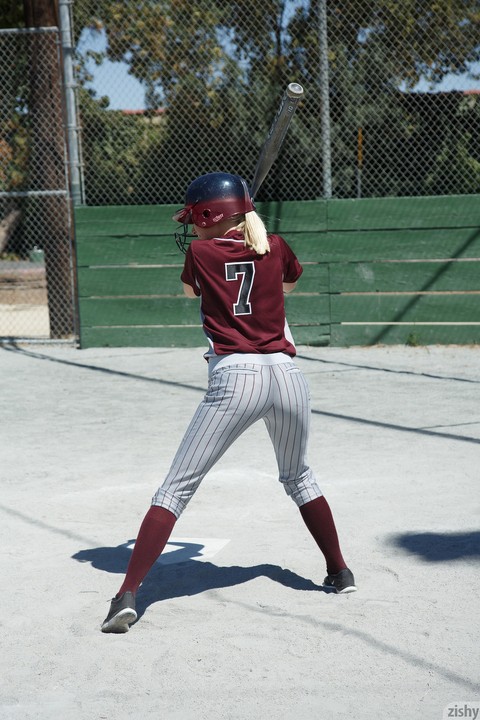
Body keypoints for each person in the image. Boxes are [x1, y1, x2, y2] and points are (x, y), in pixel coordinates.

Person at [101, 172, 356, 633]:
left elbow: (190, 292)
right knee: (299, 476)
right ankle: (340, 572)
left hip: (236, 377)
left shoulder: (200, 253)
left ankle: (127, 594)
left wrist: (222, 252)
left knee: (175, 489)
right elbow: (287, 288)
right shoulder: (274, 245)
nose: (191, 228)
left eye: (196, 219)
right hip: (288, 376)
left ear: (209, 216)